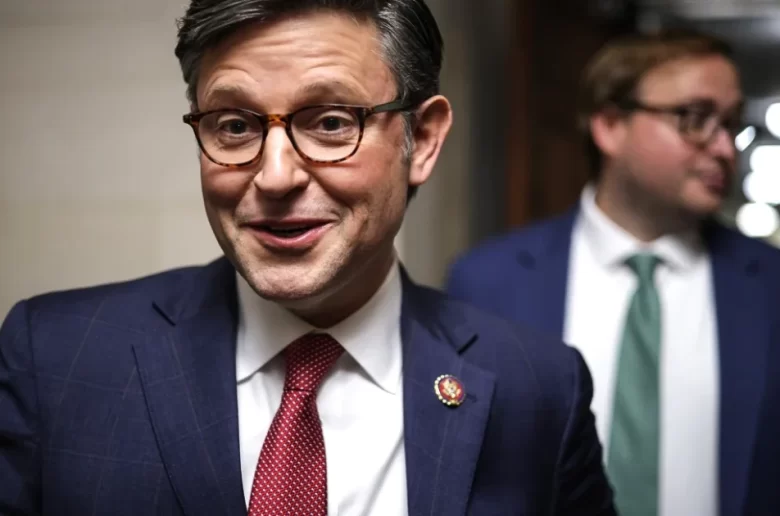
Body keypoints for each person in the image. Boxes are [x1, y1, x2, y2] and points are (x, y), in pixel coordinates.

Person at [0, 1, 616, 515]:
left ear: (423, 140)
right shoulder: (57, 358)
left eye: (330, 122)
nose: (274, 176)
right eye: (234, 126)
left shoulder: (537, 389)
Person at [447, 30, 780, 516]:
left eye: (731, 123)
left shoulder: (769, 286)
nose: (725, 148)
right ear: (609, 126)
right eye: (695, 118)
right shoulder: (488, 282)